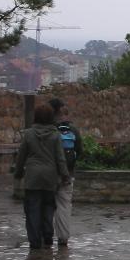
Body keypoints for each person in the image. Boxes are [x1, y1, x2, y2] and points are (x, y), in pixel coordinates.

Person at [14, 102, 69, 250]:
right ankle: (48, 236)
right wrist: (65, 175)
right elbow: (60, 158)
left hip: (32, 177)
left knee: (32, 208)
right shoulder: (55, 135)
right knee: (48, 208)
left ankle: (34, 241)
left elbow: (21, 156)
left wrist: (18, 173)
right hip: (50, 177)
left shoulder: (29, 134)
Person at [49, 98, 83, 248]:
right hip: (68, 174)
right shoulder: (73, 130)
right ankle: (63, 238)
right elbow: (80, 151)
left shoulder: (48, 129)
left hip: (49, 174)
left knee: (47, 205)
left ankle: (46, 236)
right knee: (64, 205)